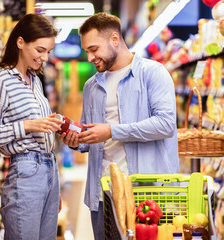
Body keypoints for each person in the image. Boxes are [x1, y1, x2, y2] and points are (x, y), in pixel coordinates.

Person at [60, 12, 179, 239]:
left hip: (146, 191)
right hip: (102, 193)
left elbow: (165, 125)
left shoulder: (153, 74)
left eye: (94, 49)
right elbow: (90, 138)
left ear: (114, 39)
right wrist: (76, 141)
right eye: (87, 51)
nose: (89, 57)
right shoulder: (91, 86)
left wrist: (112, 131)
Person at [0, 14, 64, 240]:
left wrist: (55, 126)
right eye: (40, 50)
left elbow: (38, 129)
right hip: (25, 172)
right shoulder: (0, 81)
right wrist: (27, 125)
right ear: (21, 42)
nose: (44, 58)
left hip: (48, 169)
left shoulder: (35, 81)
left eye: (48, 52)